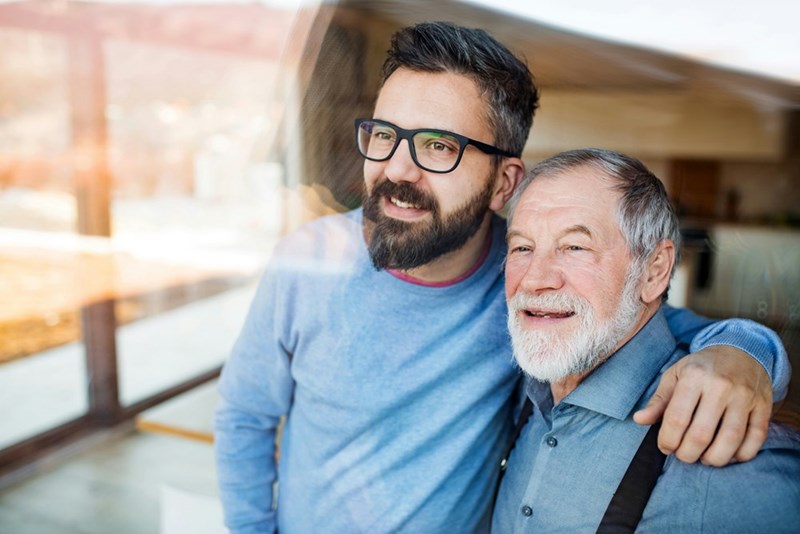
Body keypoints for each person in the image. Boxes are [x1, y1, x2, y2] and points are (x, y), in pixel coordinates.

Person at [214, 22, 791, 533]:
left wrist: (746, 353)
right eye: (385, 135)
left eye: (438, 145)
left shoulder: (523, 285)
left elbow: (663, 326)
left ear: (503, 183)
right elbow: (245, 415)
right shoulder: (306, 265)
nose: (396, 168)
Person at [493, 148, 800, 533]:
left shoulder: (732, 464)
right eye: (522, 247)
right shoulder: (525, 386)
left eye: (575, 247)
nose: (535, 279)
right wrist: (747, 343)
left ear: (654, 272)